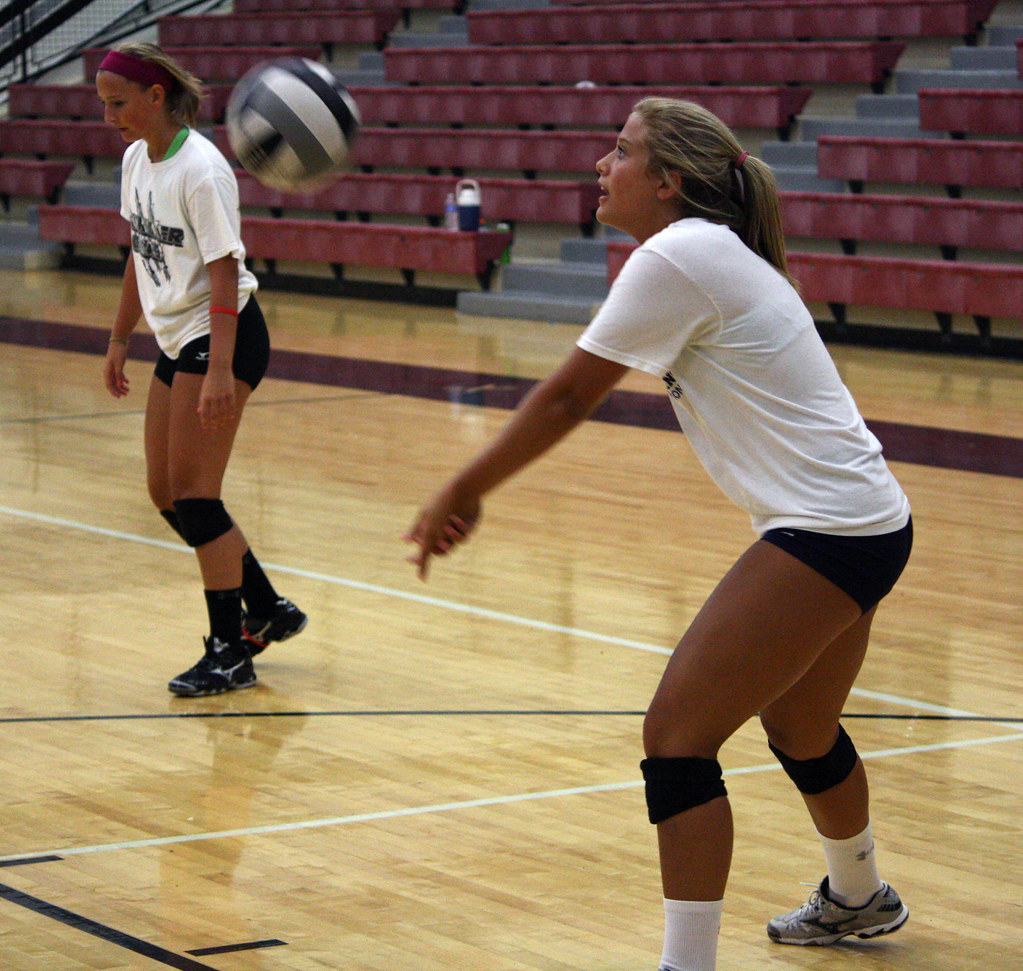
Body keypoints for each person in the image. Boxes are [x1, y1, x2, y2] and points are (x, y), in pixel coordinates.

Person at [405, 97, 912, 970]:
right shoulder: (705, 253)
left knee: (675, 738)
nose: (604, 165)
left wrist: (464, 483)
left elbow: (569, 395)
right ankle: (859, 896)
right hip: (869, 521)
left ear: (669, 181)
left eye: (622, 152)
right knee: (799, 725)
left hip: (830, 530)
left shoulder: (679, 254)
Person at [98, 43, 306, 697]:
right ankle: (267, 605)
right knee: (165, 493)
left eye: (119, 104)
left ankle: (229, 651)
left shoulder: (202, 170)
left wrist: (218, 369)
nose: (110, 118)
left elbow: (222, 270)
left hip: (223, 335)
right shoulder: (136, 160)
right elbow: (140, 254)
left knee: (196, 493)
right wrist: (117, 338)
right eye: (104, 105)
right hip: (178, 336)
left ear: (155, 97)